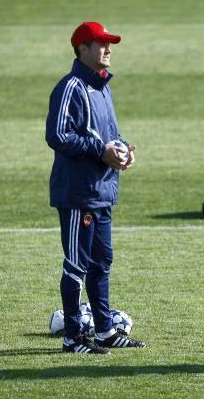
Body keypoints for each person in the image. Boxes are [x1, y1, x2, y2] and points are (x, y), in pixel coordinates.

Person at [45, 21, 145, 354]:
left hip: (101, 192)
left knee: (102, 262)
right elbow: (57, 136)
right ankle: (73, 337)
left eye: (109, 43)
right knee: (77, 264)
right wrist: (99, 150)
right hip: (78, 193)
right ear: (82, 49)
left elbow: (109, 136)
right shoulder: (70, 87)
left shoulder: (102, 88)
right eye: (100, 43)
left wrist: (123, 151)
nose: (108, 49)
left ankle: (104, 331)